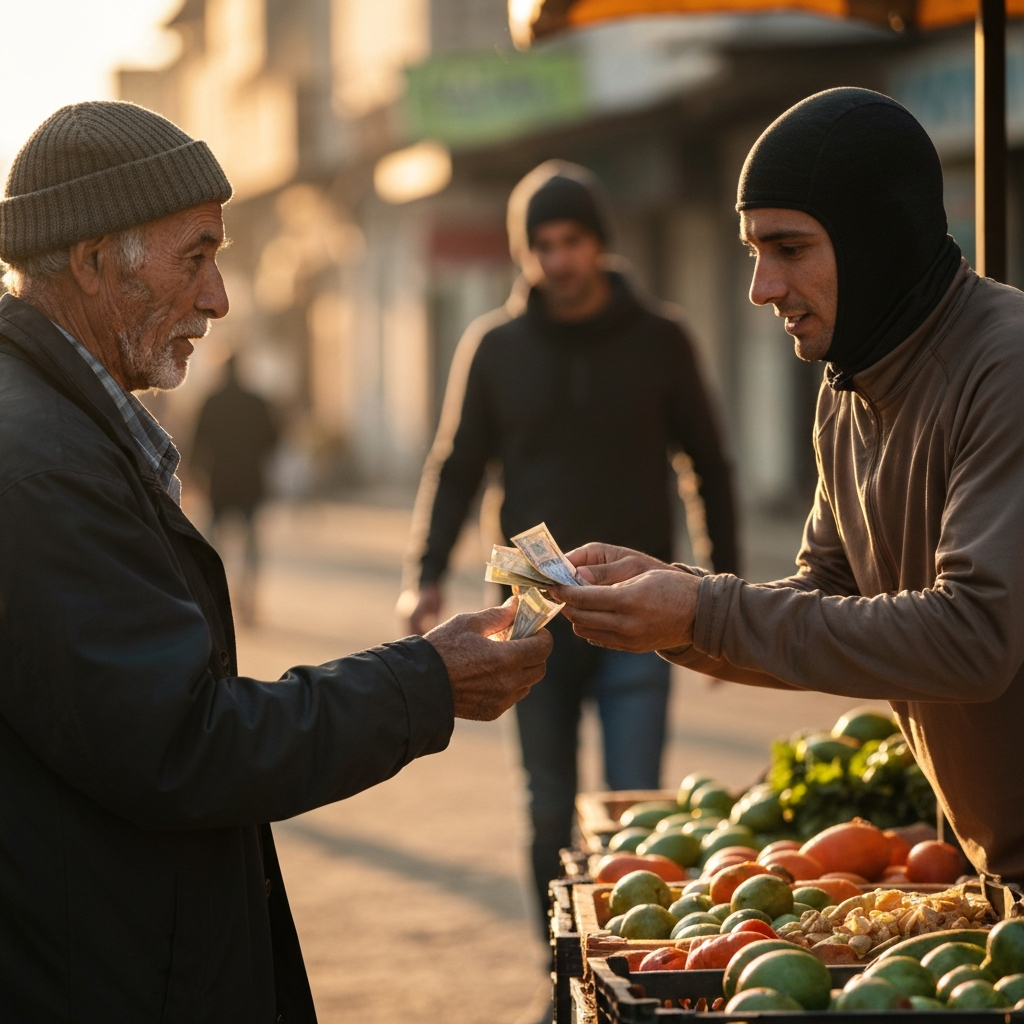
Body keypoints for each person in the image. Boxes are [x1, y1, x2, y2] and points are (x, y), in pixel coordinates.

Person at [0, 101, 551, 1023]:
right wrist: (427, 679)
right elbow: (183, 748)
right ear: (94, 262)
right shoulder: (44, 466)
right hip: (104, 969)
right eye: (196, 257)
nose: (219, 299)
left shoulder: (55, 430)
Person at [550, 88, 1024, 885]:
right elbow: (826, 597)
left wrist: (703, 609)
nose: (762, 288)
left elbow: (972, 638)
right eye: (751, 252)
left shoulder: (1006, 367)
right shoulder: (847, 392)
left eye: (790, 248)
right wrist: (671, 606)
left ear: (875, 238)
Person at [402, 162, 739, 924]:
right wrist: (422, 575)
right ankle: (558, 982)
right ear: (525, 253)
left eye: (573, 240)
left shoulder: (663, 338)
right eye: (542, 244)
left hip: (639, 608)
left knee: (633, 811)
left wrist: (724, 593)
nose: (558, 259)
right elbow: (456, 467)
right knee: (547, 805)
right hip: (528, 612)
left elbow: (710, 466)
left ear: (599, 242)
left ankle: (626, 962)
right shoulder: (494, 346)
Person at [191, 353, 279, 623]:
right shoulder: (256, 401)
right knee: (251, 544)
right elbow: (273, 439)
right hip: (250, 481)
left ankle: (211, 598)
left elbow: (197, 442)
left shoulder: (211, 401)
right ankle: (248, 597)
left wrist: (197, 477)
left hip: (219, 483)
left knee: (212, 546)